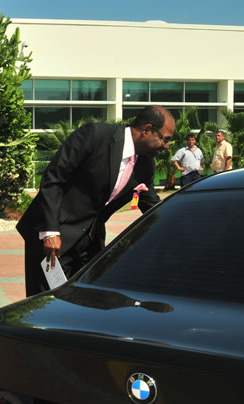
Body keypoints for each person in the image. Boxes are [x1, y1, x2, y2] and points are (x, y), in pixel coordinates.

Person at [17, 105, 173, 297]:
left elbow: (152, 206)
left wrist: (180, 228)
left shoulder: (145, 164)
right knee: (47, 304)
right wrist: (50, 232)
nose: (167, 146)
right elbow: (53, 179)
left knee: (84, 302)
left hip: (89, 243)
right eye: (166, 139)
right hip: (53, 237)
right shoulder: (94, 135)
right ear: (147, 129)